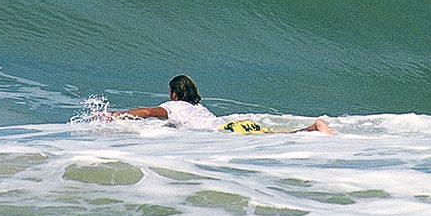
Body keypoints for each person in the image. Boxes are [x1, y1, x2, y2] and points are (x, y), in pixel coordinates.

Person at [113, 74, 335, 134]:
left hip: (227, 131)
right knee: (279, 133)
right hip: (234, 125)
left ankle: (315, 128)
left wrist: (116, 115)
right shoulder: (197, 108)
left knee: (278, 135)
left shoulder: (174, 107)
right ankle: (314, 128)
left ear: (173, 94)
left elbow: (147, 112)